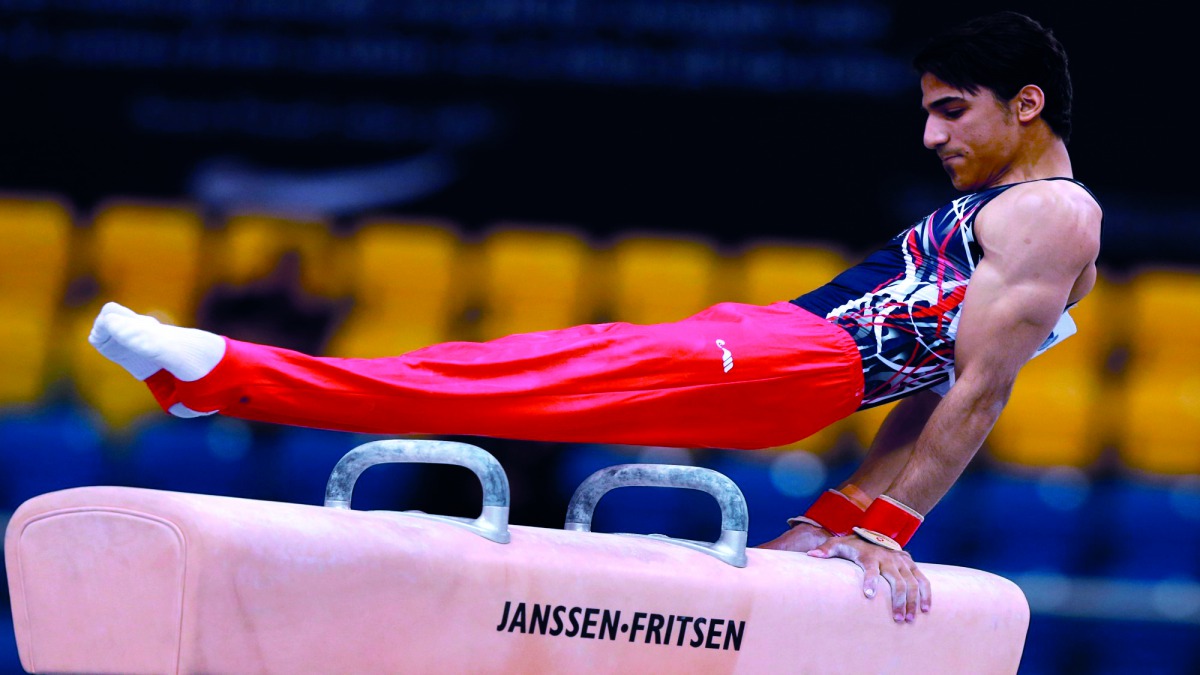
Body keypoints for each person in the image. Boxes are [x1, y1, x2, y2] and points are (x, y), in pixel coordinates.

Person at [88, 11, 1101, 626]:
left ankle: (217, 376)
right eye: (924, 111)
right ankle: (215, 381)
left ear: (1025, 102)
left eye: (951, 111)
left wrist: (886, 529)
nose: (929, 135)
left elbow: (974, 393)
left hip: (801, 360)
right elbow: (932, 394)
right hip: (787, 347)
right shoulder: (1012, 218)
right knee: (508, 372)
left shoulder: (1053, 215)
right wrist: (829, 523)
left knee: (508, 378)